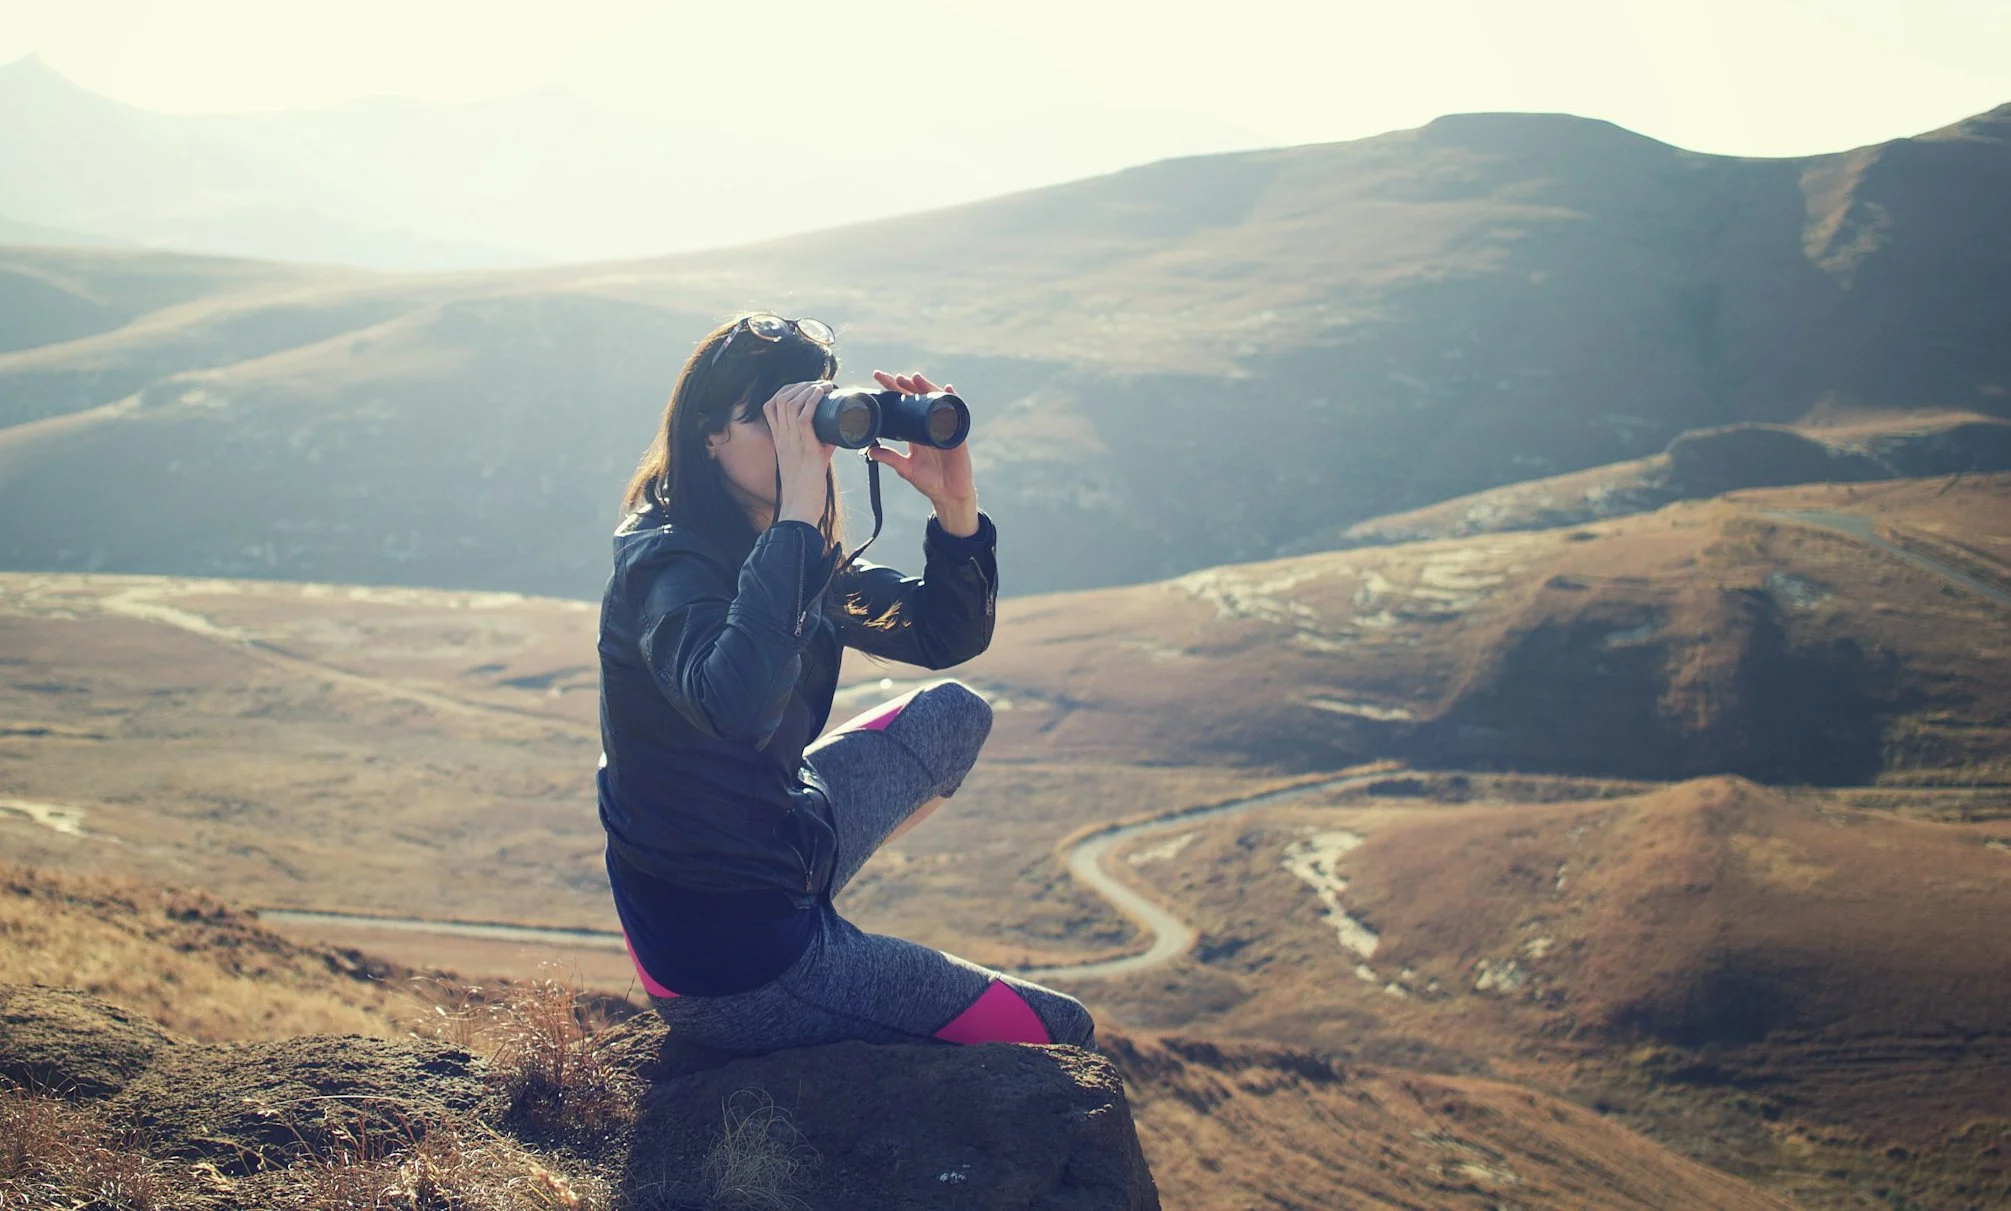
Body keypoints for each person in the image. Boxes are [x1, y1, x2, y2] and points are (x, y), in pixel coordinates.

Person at [595, 312, 1096, 1053]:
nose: (807, 446)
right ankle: (820, 966)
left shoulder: (769, 537)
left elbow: (939, 636)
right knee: (1062, 1030)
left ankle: (817, 917)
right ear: (707, 435)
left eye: (813, 417)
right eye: (773, 422)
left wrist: (955, 512)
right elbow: (733, 706)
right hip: (731, 958)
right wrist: (798, 512)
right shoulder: (669, 566)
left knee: (954, 714)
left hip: (776, 836)